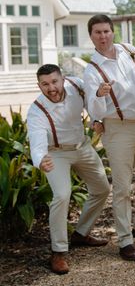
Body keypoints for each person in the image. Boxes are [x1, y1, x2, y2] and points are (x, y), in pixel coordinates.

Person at [83, 14, 135, 262]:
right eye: (97, 32)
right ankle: (125, 240)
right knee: (122, 188)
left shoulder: (129, 51)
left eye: (106, 31)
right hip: (117, 128)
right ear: (91, 36)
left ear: (113, 32)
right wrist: (99, 94)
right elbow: (95, 111)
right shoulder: (92, 70)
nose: (103, 36)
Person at [27, 64, 110, 274]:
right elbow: (37, 144)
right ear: (39, 86)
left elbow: (94, 103)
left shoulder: (77, 85)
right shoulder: (36, 110)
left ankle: (81, 234)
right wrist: (40, 159)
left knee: (102, 189)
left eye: (54, 81)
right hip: (55, 153)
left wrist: (97, 119)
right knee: (62, 195)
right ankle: (58, 251)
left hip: (82, 147)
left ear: (63, 79)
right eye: (45, 84)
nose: (51, 88)